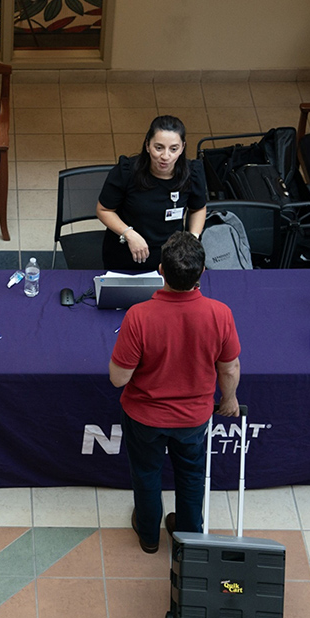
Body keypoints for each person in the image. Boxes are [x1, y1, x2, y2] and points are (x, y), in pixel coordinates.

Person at [108, 232, 241, 554]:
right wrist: (229, 399)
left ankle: (150, 536)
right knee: (192, 476)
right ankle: (188, 540)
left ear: (160, 270)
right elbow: (229, 367)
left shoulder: (138, 316)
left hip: (145, 418)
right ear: (202, 273)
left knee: (146, 474)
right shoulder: (220, 313)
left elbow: (118, 379)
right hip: (194, 419)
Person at [96, 115, 207, 272]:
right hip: (127, 253)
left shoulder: (192, 173)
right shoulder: (126, 171)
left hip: (171, 258)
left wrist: (193, 238)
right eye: (159, 147)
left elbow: (198, 208)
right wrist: (129, 234)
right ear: (148, 145)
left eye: (173, 149)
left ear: (182, 147)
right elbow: (104, 210)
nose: (165, 156)